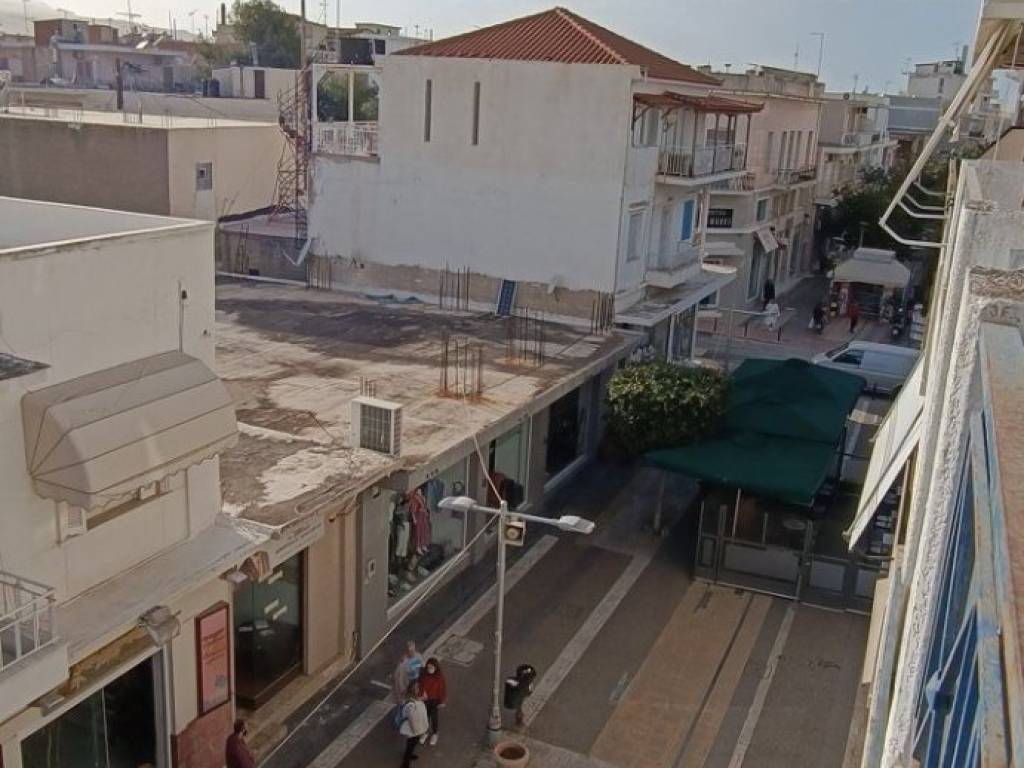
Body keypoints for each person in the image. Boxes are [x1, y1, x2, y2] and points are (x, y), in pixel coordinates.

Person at [398, 682, 429, 768]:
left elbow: (420, 700)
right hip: (414, 730)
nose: (419, 690)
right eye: (417, 688)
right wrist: (417, 732)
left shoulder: (414, 699)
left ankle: (408, 756)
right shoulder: (410, 706)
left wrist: (422, 698)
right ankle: (405, 762)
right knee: (411, 745)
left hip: (416, 728)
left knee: (411, 744)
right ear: (413, 691)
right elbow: (413, 721)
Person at [418, 657, 447, 745]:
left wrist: (442, 701)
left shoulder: (439, 678)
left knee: (434, 717)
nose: (429, 669)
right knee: (425, 717)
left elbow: (442, 690)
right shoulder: (423, 675)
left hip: (434, 700)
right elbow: (420, 685)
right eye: (428, 667)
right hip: (425, 700)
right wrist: (421, 693)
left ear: (435, 668)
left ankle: (435, 733)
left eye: (431, 667)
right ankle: (425, 732)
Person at [392, 640, 425, 705]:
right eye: (409, 650)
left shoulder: (418, 656)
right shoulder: (403, 663)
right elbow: (399, 678)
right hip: (408, 687)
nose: (412, 652)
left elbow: (422, 667)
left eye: (413, 650)